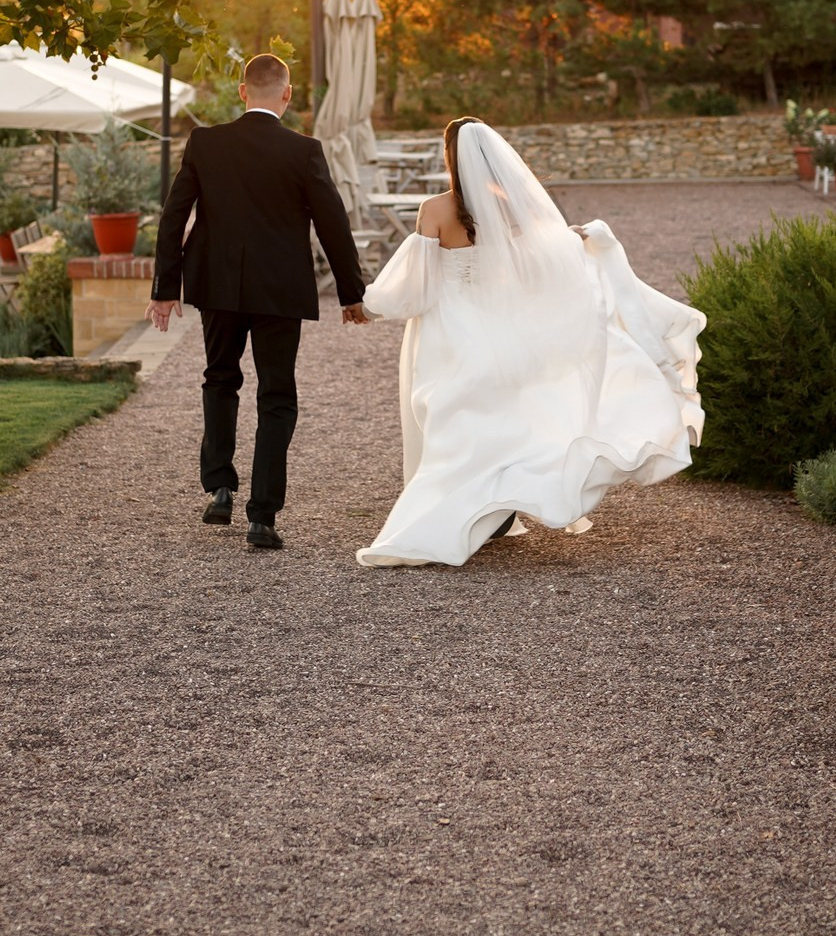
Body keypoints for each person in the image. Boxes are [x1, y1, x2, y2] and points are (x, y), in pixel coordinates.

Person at [355, 116, 704, 568]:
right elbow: (544, 261)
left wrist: (369, 305)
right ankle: (494, 511)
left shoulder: (434, 210)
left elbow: (414, 288)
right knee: (505, 415)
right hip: (501, 326)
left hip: (451, 329)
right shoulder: (513, 206)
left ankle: (456, 518)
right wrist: (582, 241)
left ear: (449, 157)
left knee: (453, 422)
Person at [147, 54, 368, 551]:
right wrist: (351, 294)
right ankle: (262, 516)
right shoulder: (304, 150)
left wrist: (165, 288)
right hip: (279, 290)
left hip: (217, 286)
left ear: (242, 92)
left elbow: (172, 216)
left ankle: (220, 488)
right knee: (276, 397)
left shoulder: (206, 142)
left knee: (220, 378)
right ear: (286, 95)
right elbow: (334, 223)